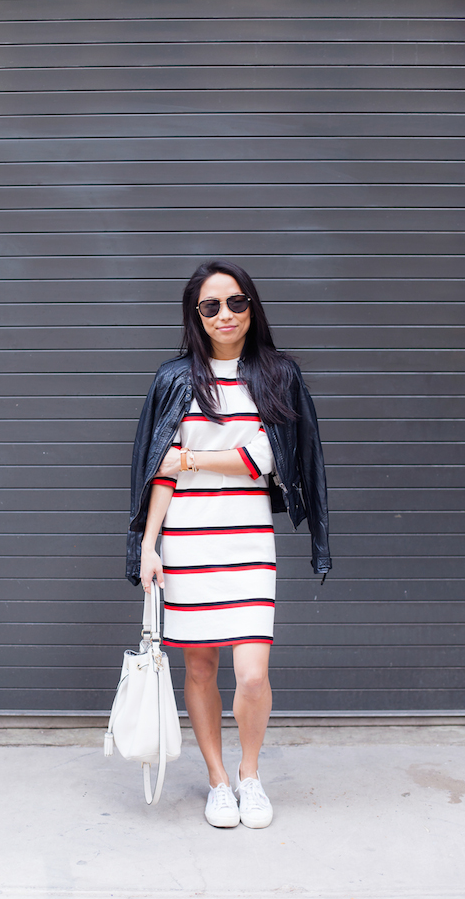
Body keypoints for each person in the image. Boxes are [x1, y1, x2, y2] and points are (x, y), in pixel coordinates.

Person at [126, 260, 331, 828]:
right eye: (211, 305)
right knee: (197, 670)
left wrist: (190, 457)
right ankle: (218, 779)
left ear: (251, 307)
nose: (225, 315)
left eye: (236, 302)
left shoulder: (276, 376)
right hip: (187, 541)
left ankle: (250, 775)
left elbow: (262, 460)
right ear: (196, 315)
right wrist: (148, 546)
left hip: (248, 542)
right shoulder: (176, 379)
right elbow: (157, 473)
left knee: (252, 674)